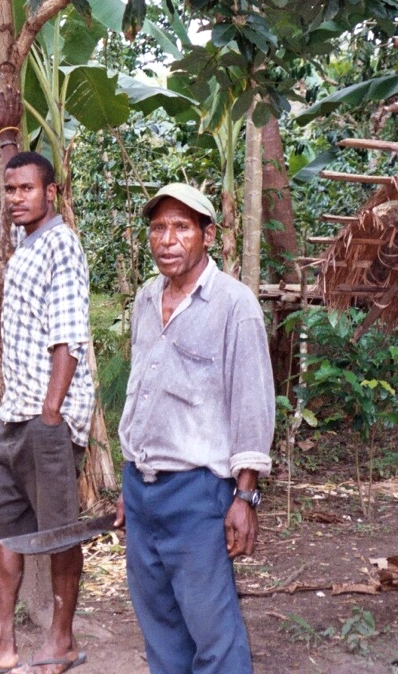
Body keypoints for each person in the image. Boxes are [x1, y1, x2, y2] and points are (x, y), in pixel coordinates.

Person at [0, 151, 93, 674]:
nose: (16, 199)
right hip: (14, 414)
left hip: (47, 418)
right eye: (10, 190)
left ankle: (62, 642)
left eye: (27, 189)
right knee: (1, 528)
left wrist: (52, 412)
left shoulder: (61, 244)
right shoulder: (27, 246)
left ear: (51, 192)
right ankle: (0, 642)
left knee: (58, 531)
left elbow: (67, 337)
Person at [114, 183, 274, 674]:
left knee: (213, 633)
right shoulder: (145, 298)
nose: (167, 239)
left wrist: (244, 498)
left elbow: (252, 404)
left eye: (181, 227)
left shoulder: (234, 305)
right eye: (158, 228)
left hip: (198, 493)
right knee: (159, 625)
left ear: (207, 235)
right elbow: (143, 391)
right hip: (142, 491)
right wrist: (130, 480)